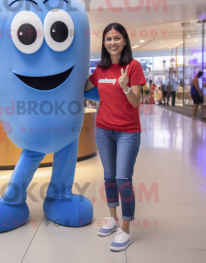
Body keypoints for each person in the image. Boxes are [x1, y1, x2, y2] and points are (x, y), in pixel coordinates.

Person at [84, 23, 146, 252]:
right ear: (104, 43)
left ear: (124, 40)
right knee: (109, 176)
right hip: (103, 129)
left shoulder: (133, 67)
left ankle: (126, 229)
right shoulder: (100, 70)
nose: (112, 42)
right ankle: (113, 218)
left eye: (117, 38)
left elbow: (136, 102)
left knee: (123, 180)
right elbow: (82, 88)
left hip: (128, 132)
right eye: (108, 39)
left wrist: (126, 87)